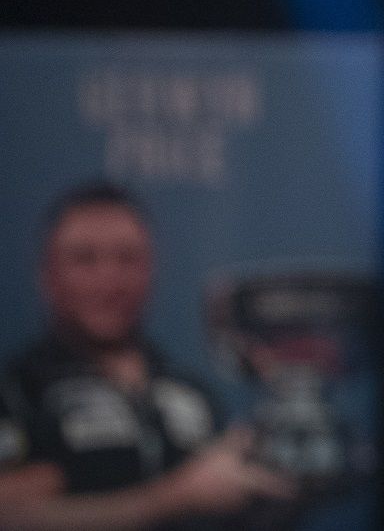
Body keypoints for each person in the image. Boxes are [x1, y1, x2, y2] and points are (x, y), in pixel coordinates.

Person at [0, 183, 294, 531]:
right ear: (48, 276)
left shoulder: (192, 391)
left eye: (128, 258)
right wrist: (175, 498)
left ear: (151, 269)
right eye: (85, 258)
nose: (110, 280)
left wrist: (284, 488)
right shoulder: (18, 392)